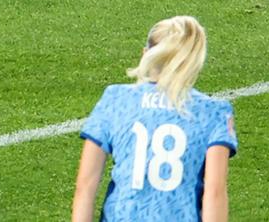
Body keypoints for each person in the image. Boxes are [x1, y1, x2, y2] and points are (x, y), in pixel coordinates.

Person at [72, 16, 237, 222]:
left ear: (145, 54)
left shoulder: (115, 99)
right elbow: (214, 192)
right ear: (192, 61)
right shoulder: (213, 111)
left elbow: (85, 187)